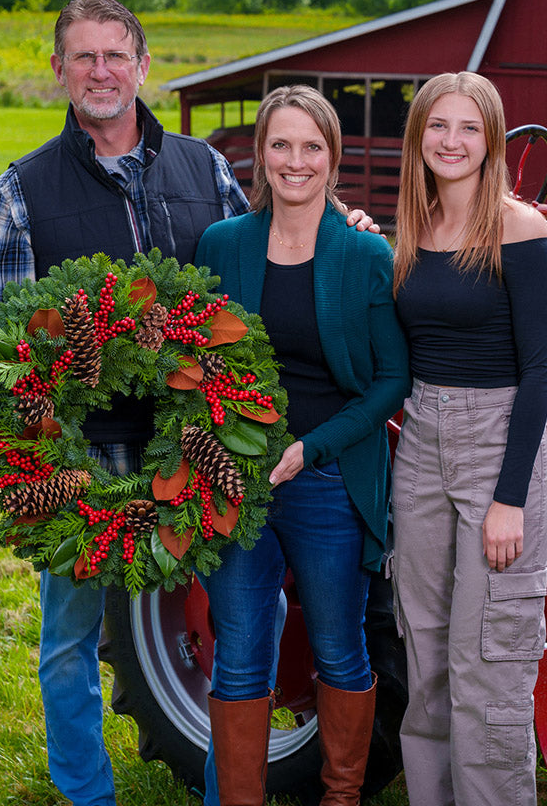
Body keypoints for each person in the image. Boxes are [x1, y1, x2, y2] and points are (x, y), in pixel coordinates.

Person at [0, 0, 377, 806]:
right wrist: (55, 468)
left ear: (143, 66)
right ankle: (87, 793)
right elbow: (18, 363)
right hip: (87, 466)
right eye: (83, 56)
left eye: (115, 55)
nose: (101, 71)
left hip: (201, 454)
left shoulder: (203, 169)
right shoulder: (21, 193)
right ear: (58, 69)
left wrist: (343, 220)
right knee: (69, 639)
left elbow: (269, 245)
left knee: (235, 625)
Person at [194, 84, 410, 806]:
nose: (296, 160)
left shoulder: (363, 254)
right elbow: (199, 366)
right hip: (240, 483)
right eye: (280, 145)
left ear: (333, 157)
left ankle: (342, 798)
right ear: (259, 155)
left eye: (311, 146)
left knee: (341, 648)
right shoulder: (222, 246)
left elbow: (388, 384)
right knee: (241, 654)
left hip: (326, 478)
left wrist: (311, 448)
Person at [389, 72, 547, 806]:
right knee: (425, 652)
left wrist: (509, 498)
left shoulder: (521, 229)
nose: (450, 142)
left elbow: (538, 370)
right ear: (418, 136)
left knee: (489, 657)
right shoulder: (411, 229)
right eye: (437, 126)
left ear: (491, 139)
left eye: (467, 128)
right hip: (422, 438)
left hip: (500, 437)